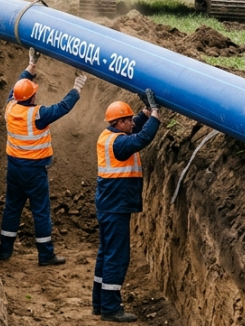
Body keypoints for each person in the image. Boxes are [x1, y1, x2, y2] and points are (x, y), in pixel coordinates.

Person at [0, 48, 87, 264]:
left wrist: (31, 65)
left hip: (14, 169)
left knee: (12, 208)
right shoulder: (37, 115)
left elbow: (17, 87)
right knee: (40, 211)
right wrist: (77, 87)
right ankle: (45, 255)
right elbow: (63, 107)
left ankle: (4, 251)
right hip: (34, 172)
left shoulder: (10, 107)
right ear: (32, 96)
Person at [92, 90, 161, 322]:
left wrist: (144, 113)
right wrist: (156, 116)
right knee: (117, 257)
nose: (133, 123)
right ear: (119, 123)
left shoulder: (108, 135)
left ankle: (100, 303)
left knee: (106, 254)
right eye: (129, 120)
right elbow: (141, 139)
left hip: (108, 205)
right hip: (116, 207)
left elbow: (134, 130)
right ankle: (111, 308)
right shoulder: (120, 143)